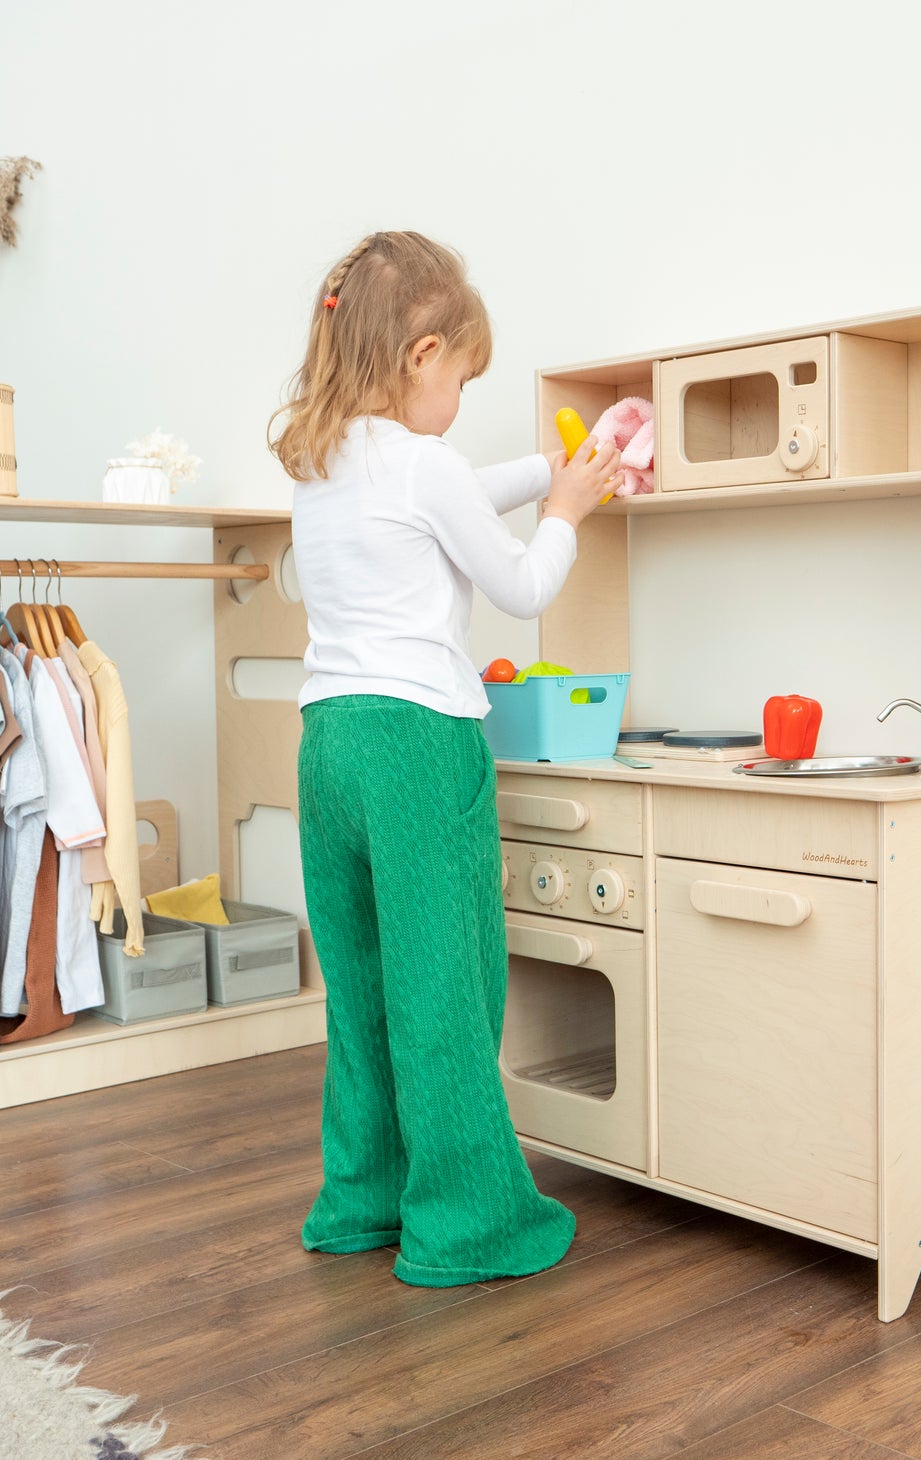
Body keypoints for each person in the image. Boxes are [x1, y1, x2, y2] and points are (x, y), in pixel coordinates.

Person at [270, 231, 616, 1285]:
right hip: (418, 744)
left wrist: (551, 469)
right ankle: (467, 1218)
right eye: (461, 377)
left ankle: (362, 1196)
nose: (461, 397)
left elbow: (451, 487)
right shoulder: (422, 465)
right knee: (444, 986)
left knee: (363, 984)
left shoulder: (320, 461)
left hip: (328, 745)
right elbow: (519, 584)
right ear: (421, 354)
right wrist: (567, 509)